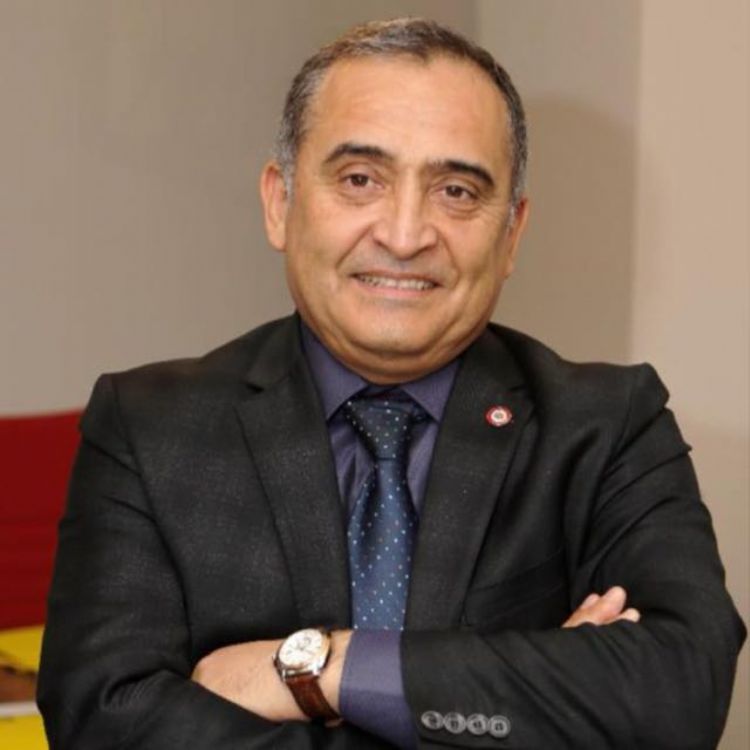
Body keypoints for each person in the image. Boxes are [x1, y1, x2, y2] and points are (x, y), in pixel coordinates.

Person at [38, 17, 744, 750]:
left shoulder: (607, 425)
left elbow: (678, 694)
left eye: (457, 191)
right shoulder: (148, 428)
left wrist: (317, 670)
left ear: (511, 234)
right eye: (360, 180)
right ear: (280, 203)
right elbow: (101, 721)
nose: (406, 235)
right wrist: (530, 697)